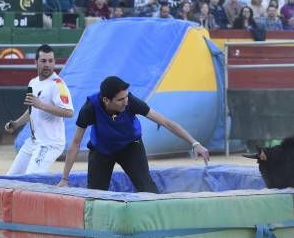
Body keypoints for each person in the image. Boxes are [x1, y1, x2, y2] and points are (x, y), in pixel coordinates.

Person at [56, 76, 210, 192]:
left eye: (126, 97)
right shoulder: (89, 109)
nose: (125, 102)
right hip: (102, 150)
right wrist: (64, 179)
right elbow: (75, 143)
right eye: (120, 99)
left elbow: (165, 122)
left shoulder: (131, 102)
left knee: (147, 188)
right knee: (95, 195)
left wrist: (194, 143)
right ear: (106, 100)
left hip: (131, 146)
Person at [4, 44, 74, 175]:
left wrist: (41, 104)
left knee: (31, 179)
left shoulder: (58, 85)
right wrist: (16, 123)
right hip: (34, 141)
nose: (47, 64)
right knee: (10, 178)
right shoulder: (33, 82)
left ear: (54, 62)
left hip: (50, 143)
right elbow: (32, 109)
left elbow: (69, 112)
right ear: (35, 62)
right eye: (43, 61)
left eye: (50, 61)